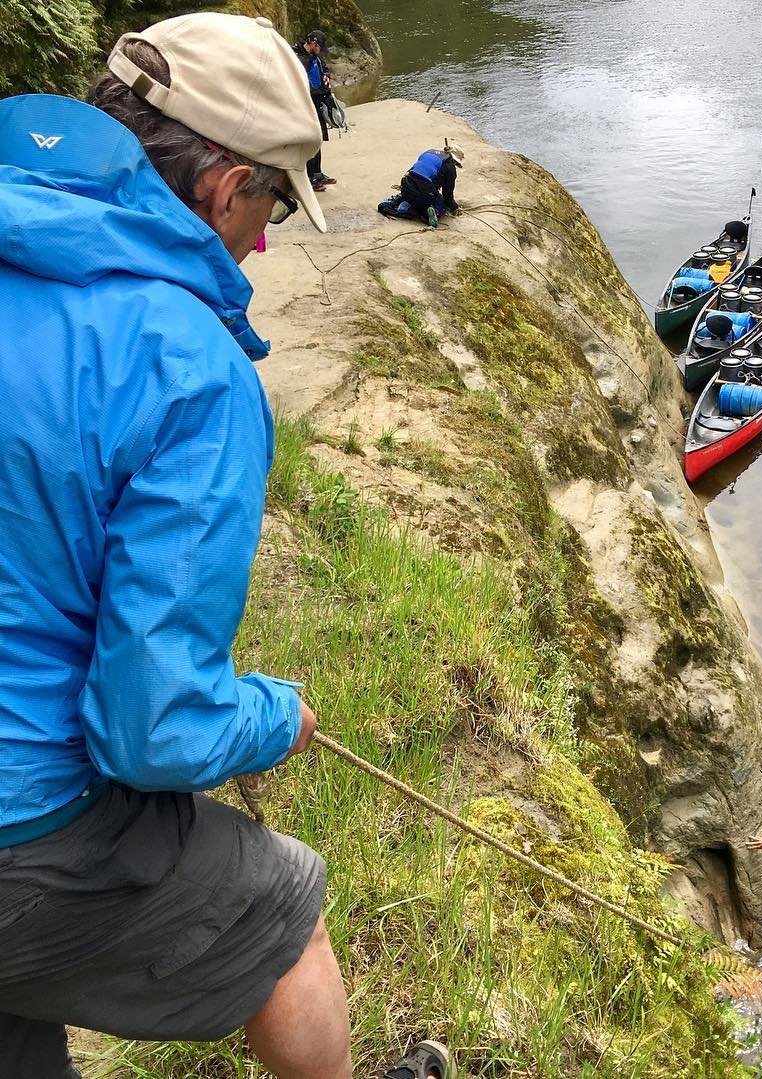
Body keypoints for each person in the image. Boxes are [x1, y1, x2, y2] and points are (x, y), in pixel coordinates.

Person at [0, 13, 450, 1079]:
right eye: (269, 206)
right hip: (20, 827)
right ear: (221, 184)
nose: (262, 241)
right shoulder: (190, 365)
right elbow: (146, 727)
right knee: (286, 910)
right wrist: (269, 715)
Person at [293, 29, 337, 191]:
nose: (321, 52)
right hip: (304, 107)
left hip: (316, 104)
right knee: (309, 141)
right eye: (320, 48)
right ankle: (309, 178)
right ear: (313, 43)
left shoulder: (314, 56)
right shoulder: (297, 59)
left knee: (317, 140)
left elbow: (323, 67)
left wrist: (326, 74)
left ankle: (317, 174)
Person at [401, 142, 464, 227]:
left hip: (406, 184)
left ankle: (404, 205)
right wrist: (454, 207)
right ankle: (429, 212)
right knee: (441, 203)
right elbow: (447, 196)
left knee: (414, 196)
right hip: (423, 191)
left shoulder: (429, 152)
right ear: (454, 160)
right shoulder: (449, 166)